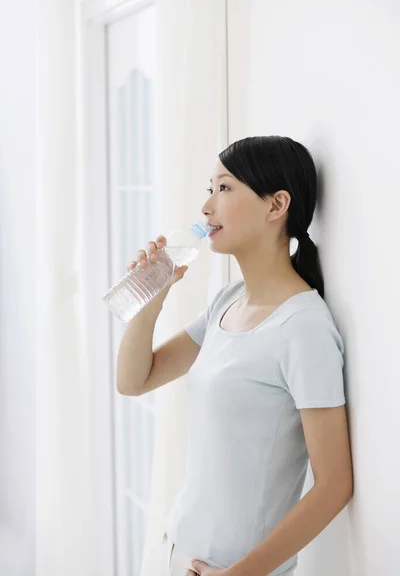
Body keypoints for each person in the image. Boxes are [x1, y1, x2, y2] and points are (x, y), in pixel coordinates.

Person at [118, 136, 353, 576]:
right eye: (210, 189)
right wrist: (151, 300)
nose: (207, 207)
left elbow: (335, 485)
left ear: (276, 205)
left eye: (224, 189)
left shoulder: (303, 328)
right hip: (179, 553)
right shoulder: (228, 301)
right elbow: (135, 380)